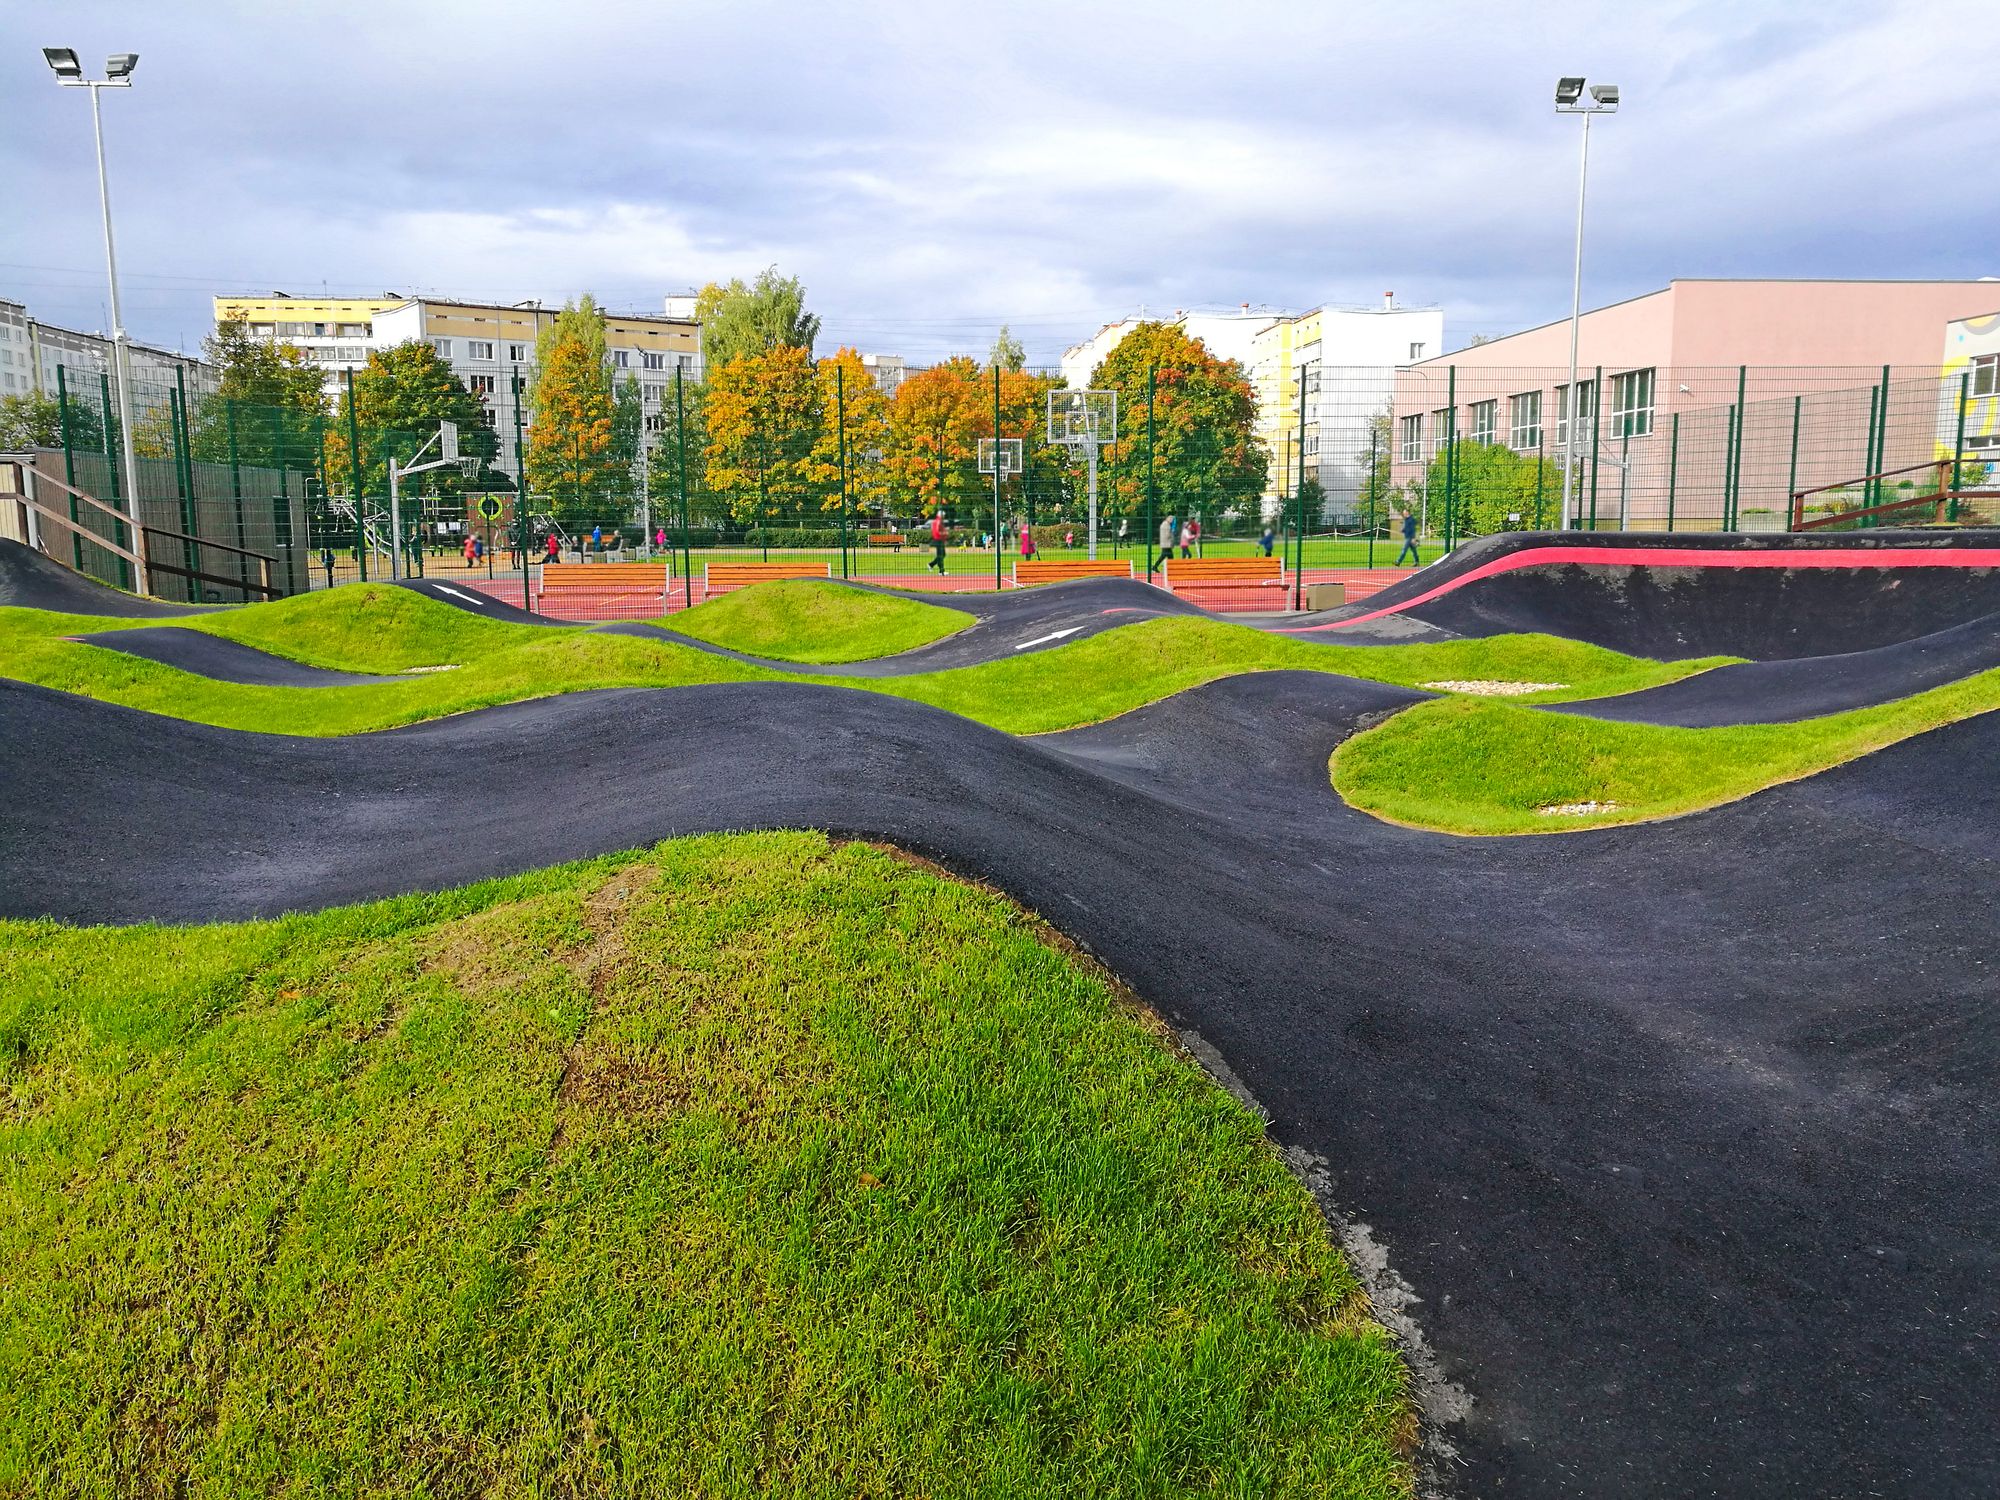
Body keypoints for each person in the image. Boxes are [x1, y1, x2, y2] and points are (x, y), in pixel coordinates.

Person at [928, 508, 948, 573]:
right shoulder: (938, 521)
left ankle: (932, 565)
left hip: (938, 540)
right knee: (941, 555)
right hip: (939, 540)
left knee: (941, 555)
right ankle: (941, 571)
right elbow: (937, 531)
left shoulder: (936, 521)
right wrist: (944, 533)